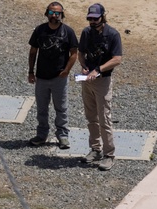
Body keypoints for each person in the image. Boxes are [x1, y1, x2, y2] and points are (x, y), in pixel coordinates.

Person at [78, 3, 123, 171]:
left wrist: (98, 70)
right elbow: (81, 52)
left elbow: (117, 59)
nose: (92, 21)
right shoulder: (86, 32)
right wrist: (83, 65)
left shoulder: (112, 34)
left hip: (102, 80)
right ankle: (95, 149)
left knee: (104, 118)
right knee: (91, 117)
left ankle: (109, 154)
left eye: (95, 18)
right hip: (87, 80)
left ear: (103, 17)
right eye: (89, 18)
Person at [27, 3, 78, 149]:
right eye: (51, 12)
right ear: (47, 13)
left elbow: (74, 53)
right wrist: (31, 71)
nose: (54, 15)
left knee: (61, 108)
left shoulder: (68, 31)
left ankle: (62, 135)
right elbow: (33, 51)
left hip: (59, 78)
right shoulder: (40, 30)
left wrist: (67, 70)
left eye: (57, 13)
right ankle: (41, 135)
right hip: (42, 77)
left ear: (62, 14)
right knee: (42, 108)